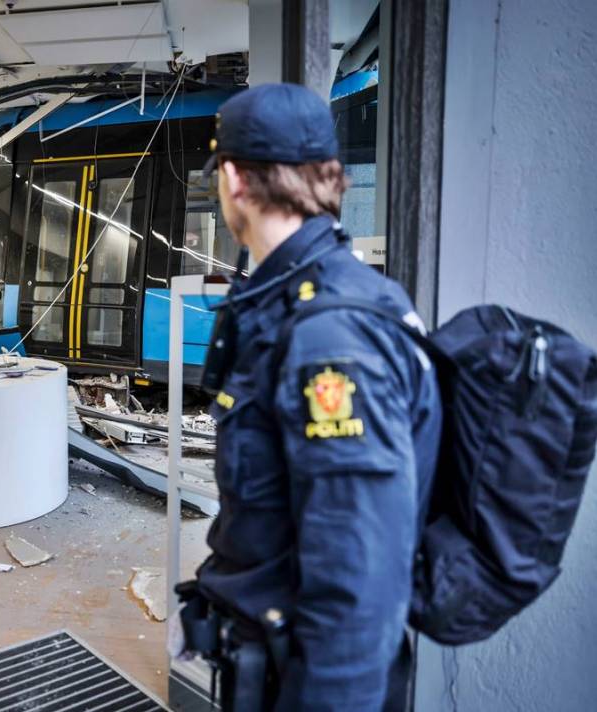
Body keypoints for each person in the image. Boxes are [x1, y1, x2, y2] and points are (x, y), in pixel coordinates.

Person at [191, 84, 442, 711]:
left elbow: (359, 582)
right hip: (271, 660)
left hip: (304, 684)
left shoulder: (330, 335)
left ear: (237, 180)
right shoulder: (298, 301)